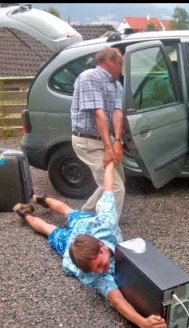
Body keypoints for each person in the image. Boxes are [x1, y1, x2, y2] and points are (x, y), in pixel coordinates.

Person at [12, 161, 167, 328]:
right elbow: (117, 300)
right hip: (72, 241)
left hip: (85, 226)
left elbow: (108, 189)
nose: (103, 270)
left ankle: (38, 198)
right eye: (99, 268)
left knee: (67, 211)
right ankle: (24, 214)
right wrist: (143, 323)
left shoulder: (105, 224)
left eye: (101, 264)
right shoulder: (92, 273)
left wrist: (110, 164)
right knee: (50, 230)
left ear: (101, 246)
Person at [71, 46, 125, 221]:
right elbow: (98, 113)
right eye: (120, 64)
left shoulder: (116, 84)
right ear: (109, 62)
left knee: (113, 181)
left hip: (104, 139)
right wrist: (108, 148)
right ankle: (107, 230)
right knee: (115, 187)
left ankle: (85, 215)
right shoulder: (89, 77)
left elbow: (117, 112)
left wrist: (117, 141)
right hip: (87, 141)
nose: (121, 68)